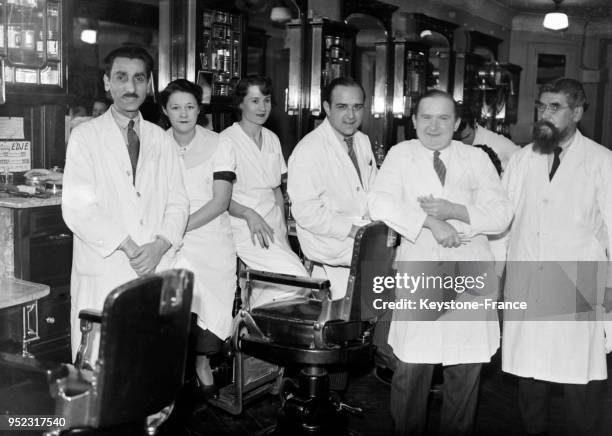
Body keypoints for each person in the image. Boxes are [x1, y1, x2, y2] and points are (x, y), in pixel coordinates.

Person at [368, 89, 513, 436]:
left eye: (444, 118)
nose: (434, 126)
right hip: (422, 268)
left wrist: (455, 211)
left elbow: (501, 214)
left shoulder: (475, 159)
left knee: (464, 369)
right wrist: (431, 222)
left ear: (457, 122)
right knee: (413, 367)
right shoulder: (401, 155)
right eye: (426, 117)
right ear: (414, 121)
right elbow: (379, 203)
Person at [498, 78, 612, 436]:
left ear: (577, 112)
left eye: (554, 107)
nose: (544, 115)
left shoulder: (601, 161)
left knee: (582, 382)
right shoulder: (521, 159)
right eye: (541, 106)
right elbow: (501, 223)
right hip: (527, 283)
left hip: (580, 286)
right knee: (531, 382)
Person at [62, 46, 189, 362]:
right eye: (121, 78)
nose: (130, 88)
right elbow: (78, 209)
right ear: (107, 83)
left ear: (149, 85)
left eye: (138, 79)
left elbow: (178, 201)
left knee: (147, 373)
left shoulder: (161, 139)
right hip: (107, 266)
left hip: (154, 267)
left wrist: (158, 247)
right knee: (102, 372)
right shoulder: (85, 136)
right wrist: (132, 248)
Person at [160, 79, 236, 399]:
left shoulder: (220, 144)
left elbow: (220, 202)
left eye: (190, 106)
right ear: (165, 111)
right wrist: (169, 233)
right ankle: (171, 371)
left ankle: (203, 362)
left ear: (199, 109)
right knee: (170, 302)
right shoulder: (155, 144)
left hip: (210, 235)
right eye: (175, 107)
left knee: (211, 298)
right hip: (166, 238)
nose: (183, 113)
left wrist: (179, 227)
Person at [220, 75, 307, 307]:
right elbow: (220, 197)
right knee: (300, 281)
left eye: (266, 100)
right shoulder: (225, 141)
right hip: (246, 228)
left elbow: (276, 190)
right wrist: (250, 214)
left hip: (273, 226)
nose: (262, 107)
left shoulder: (272, 139)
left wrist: (284, 235)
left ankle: (251, 334)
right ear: (240, 103)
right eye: (255, 101)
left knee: (263, 292)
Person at [288, 76, 377, 299]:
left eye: (357, 107)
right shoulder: (308, 150)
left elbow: (374, 192)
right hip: (331, 250)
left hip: (363, 246)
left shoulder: (362, 141)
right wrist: (354, 231)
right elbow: (307, 212)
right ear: (327, 108)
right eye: (342, 107)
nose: (351, 115)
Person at [455, 103, 520, 172]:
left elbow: (522, 159)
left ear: (474, 123)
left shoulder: (496, 143)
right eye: (458, 139)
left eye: (466, 136)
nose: (463, 143)